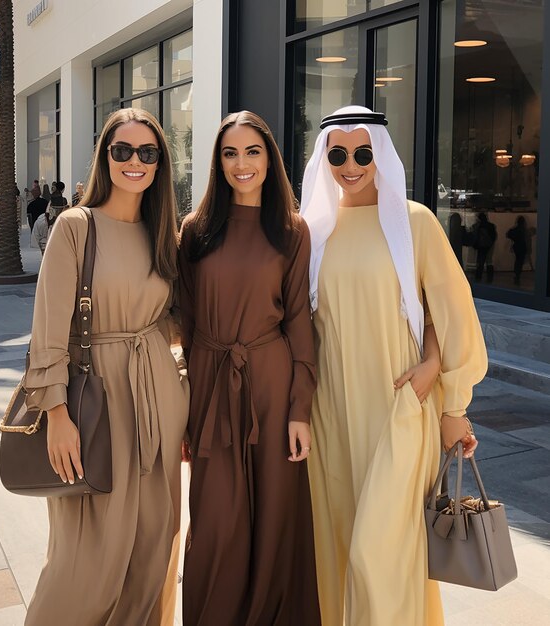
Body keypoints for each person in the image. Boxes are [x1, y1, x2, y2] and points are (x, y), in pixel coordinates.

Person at [300, 106, 488, 626]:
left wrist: (453, 400)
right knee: (340, 548)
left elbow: (450, 311)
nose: (351, 165)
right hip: (332, 416)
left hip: (402, 410)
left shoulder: (413, 221)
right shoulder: (311, 231)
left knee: (379, 556)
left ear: (380, 153)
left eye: (363, 153)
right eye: (338, 155)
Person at [23, 107, 188, 625]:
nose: (134, 162)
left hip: (158, 406)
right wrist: (54, 414)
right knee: (82, 568)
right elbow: (47, 331)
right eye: (123, 151)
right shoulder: (76, 227)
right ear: (105, 157)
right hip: (94, 408)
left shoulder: (164, 234)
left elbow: (174, 323)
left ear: (160, 164)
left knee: (151, 551)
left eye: (147, 153)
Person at [179, 111, 321, 626]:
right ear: (218, 162)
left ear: (270, 159)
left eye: (253, 152)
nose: (242, 164)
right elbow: (188, 324)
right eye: (230, 153)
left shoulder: (292, 230)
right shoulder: (195, 231)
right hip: (212, 385)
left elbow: (300, 319)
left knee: (276, 522)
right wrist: (187, 411)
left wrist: (300, 408)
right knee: (215, 524)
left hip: (272, 383)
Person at [471, 211, 497, 281]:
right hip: (489, 246)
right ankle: (490, 277)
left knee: (480, 262)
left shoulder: (477, 226)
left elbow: (474, 236)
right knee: (489, 261)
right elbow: (494, 237)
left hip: (481, 246)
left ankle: (478, 277)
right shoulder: (491, 226)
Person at [507, 215, 528, 285]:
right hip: (522, 247)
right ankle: (518, 274)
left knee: (517, 260)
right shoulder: (524, 230)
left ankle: (517, 274)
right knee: (520, 261)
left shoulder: (516, 229)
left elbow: (509, 234)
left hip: (516, 246)